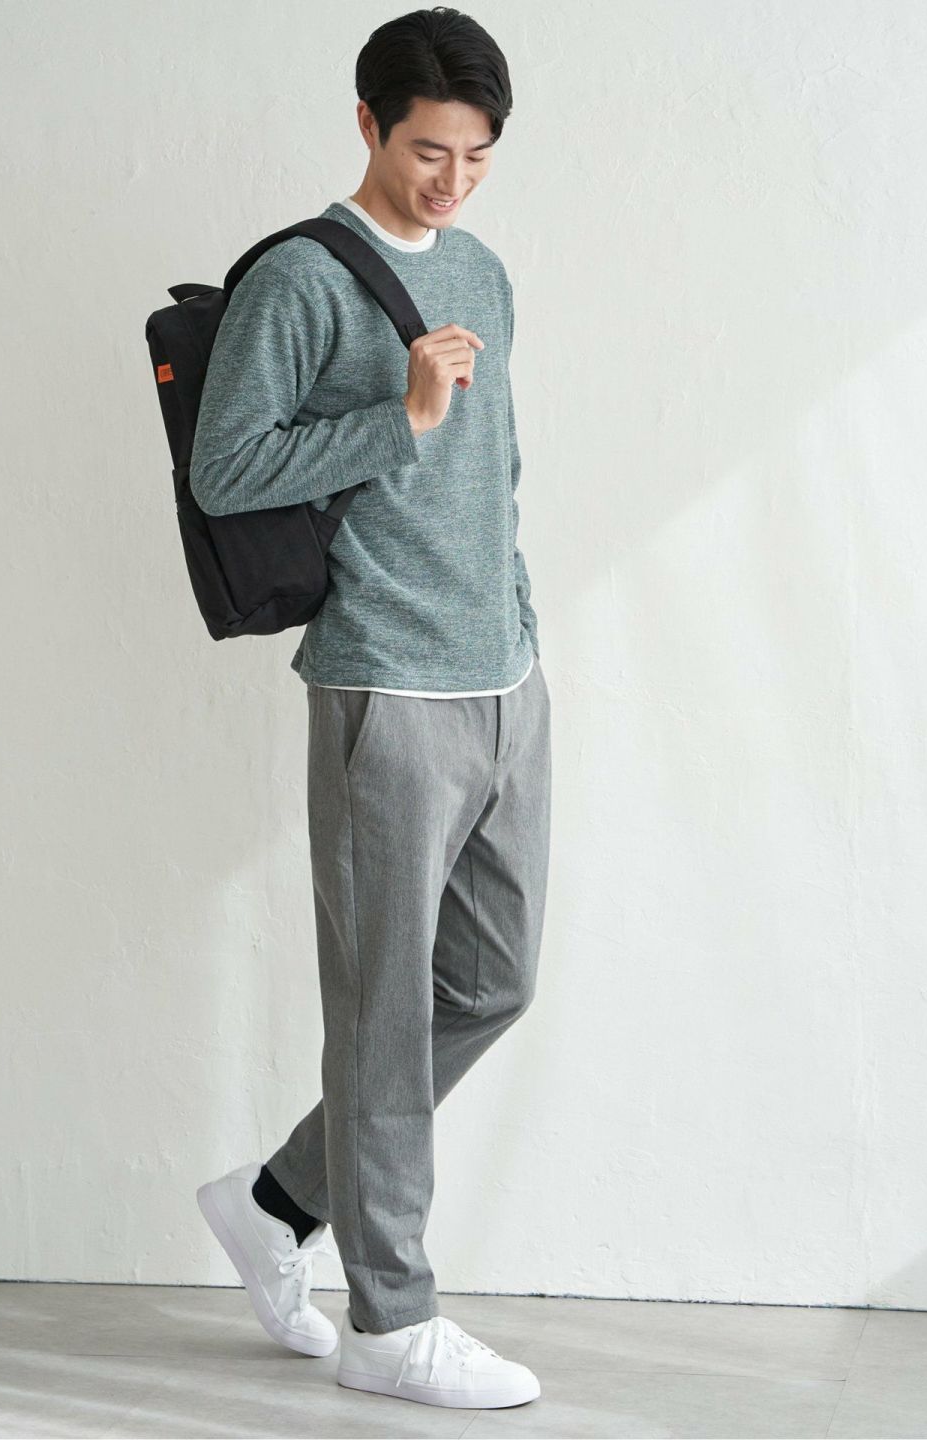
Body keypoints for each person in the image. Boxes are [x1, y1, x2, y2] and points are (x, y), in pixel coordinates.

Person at [191, 6, 550, 1410]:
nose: (451, 182)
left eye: (477, 156)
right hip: (381, 684)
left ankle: (278, 1199)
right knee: (384, 1013)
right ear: (366, 125)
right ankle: (391, 1322)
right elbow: (226, 470)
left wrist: (519, 628)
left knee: (493, 982)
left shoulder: (483, 270)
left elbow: (497, 467)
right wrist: (396, 415)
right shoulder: (301, 280)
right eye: (425, 151)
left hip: (503, 676)